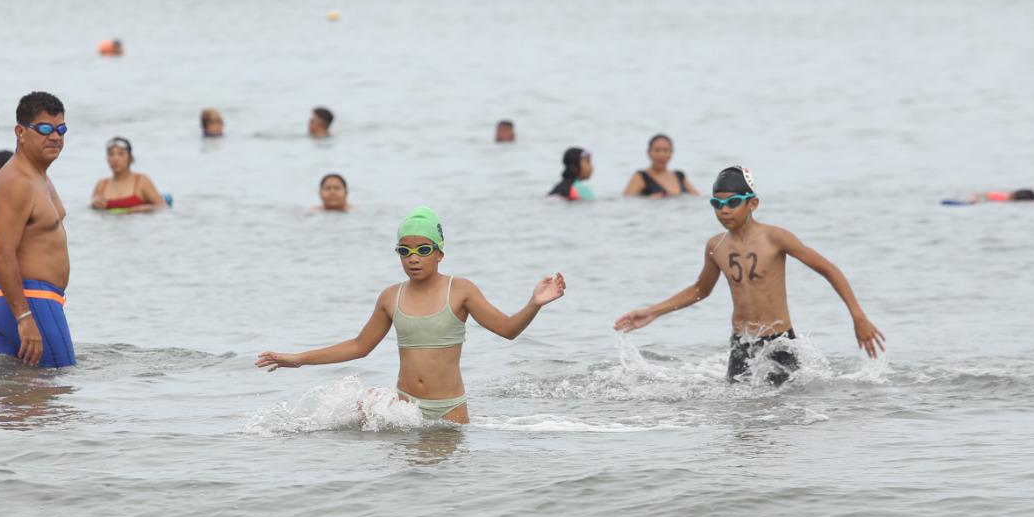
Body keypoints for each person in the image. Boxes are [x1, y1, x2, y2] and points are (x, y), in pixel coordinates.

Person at [256, 207, 566, 423]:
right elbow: (359, 346)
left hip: (449, 410)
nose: (413, 259)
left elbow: (508, 329)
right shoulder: (391, 296)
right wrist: (299, 359)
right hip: (406, 410)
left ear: (440, 253)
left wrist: (534, 304)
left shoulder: (461, 290)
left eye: (423, 250)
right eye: (404, 251)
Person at [614, 165, 885, 386]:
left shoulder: (775, 237)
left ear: (752, 203)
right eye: (716, 204)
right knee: (741, 423)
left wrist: (858, 316)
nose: (724, 210)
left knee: (781, 417)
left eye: (732, 202)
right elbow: (701, 289)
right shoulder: (716, 246)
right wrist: (652, 312)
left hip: (778, 342)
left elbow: (828, 269)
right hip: (741, 344)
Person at [0, 91, 74, 368]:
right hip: (31, 303)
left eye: (61, 129)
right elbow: (2, 253)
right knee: (58, 393)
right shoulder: (16, 181)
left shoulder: (38, 176)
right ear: (20, 132)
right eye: (45, 129)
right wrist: (24, 318)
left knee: (17, 401)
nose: (55, 137)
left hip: (27, 302)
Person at [90, 137, 166, 213]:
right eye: (111, 154)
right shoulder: (101, 185)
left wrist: (147, 209)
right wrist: (92, 204)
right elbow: (91, 212)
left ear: (130, 158)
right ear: (107, 159)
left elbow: (163, 207)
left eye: (121, 154)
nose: (115, 159)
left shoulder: (142, 181)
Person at [622, 134, 699, 198]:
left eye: (665, 150)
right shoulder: (641, 176)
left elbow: (698, 198)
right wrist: (648, 200)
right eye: (657, 150)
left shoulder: (679, 176)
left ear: (671, 153)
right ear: (649, 152)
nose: (661, 155)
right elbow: (626, 201)